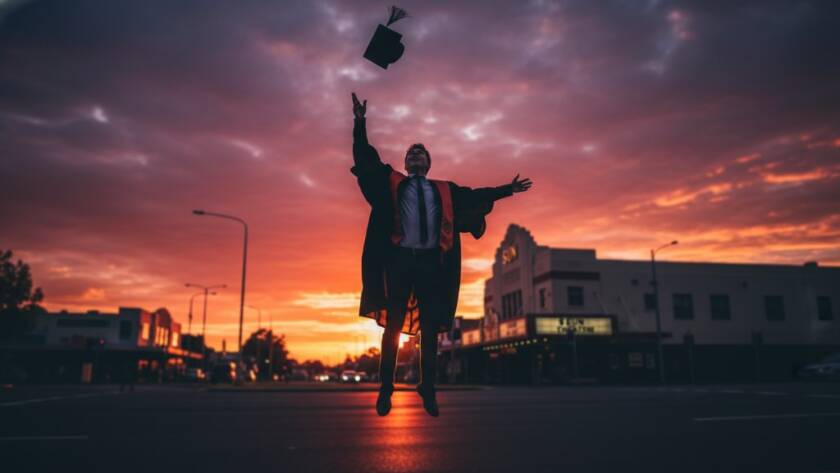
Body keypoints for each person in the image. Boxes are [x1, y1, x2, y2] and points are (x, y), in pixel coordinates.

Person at [350, 92, 532, 417]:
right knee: (393, 326)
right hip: (400, 260)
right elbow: (366, 159)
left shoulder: (445, 190)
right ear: (406, 163)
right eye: (411, 153)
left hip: (432, 264)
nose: (416, 156)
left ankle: (428, 387)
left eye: (421, 154)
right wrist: (360, 122)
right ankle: (386, 388)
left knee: (430, 329)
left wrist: (508, 189)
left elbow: (477, 195)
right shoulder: (393, 182)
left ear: (428, 162)